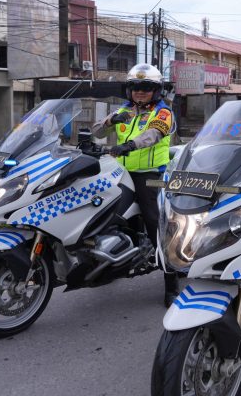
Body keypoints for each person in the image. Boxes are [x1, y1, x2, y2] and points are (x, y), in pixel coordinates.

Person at [91, 63, 178, 306]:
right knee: (102, 211)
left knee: (155, 223)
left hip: (149, 176)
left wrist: (128, 146)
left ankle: (171, 282)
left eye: (146, 87)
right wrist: (110, 120)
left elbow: (152, 135)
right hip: (120, 172)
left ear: (156, 90)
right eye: (135, 87)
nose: (140, 91)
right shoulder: (125, 110)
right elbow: (97, 132)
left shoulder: (163, 113)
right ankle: (109, 261)